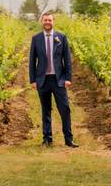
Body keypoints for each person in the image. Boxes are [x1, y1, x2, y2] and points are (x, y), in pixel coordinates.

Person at [28, 11, 77, 148]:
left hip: (58, 80)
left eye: (50, 20)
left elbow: (67, 59)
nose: (47, 22)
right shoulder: (36, 38)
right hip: (42, 80)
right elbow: (32, 60)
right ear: (41, 22)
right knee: (46, 110)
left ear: (53, 22)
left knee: (65, 109)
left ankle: (68, 139)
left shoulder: (61, 37)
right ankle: (47, 139)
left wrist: (68, 78)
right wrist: (33, 80)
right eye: (45, 20)